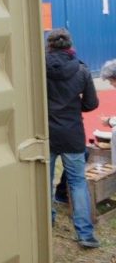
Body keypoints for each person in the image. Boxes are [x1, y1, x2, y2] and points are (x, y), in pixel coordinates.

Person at [45, 28, 100, 248]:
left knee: (43, 182)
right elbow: (91, 104)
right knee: (78, 183)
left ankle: (46, 222)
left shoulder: (40, 68)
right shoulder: (82, 70)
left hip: (45, 133)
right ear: (69, 45)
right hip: (72, 134)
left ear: (49, 45)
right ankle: (85, 234)